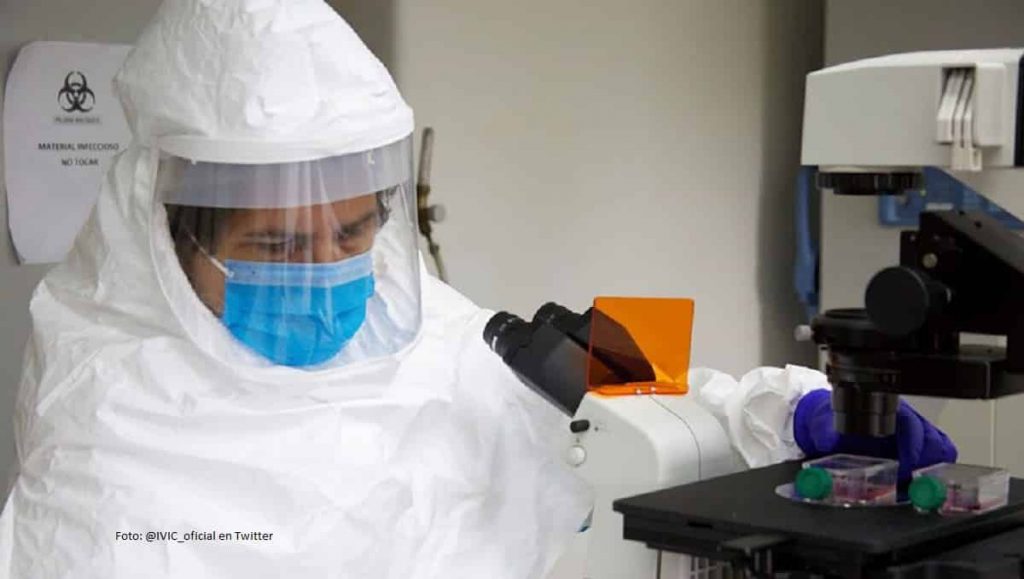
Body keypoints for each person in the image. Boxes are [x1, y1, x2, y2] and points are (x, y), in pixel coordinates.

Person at [0, 0, 591, 576]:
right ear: (173, 240)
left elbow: (572, 484)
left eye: (353, 234)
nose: (325, 276)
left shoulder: (440, 334)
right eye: (279, 246)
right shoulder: (112, 409)